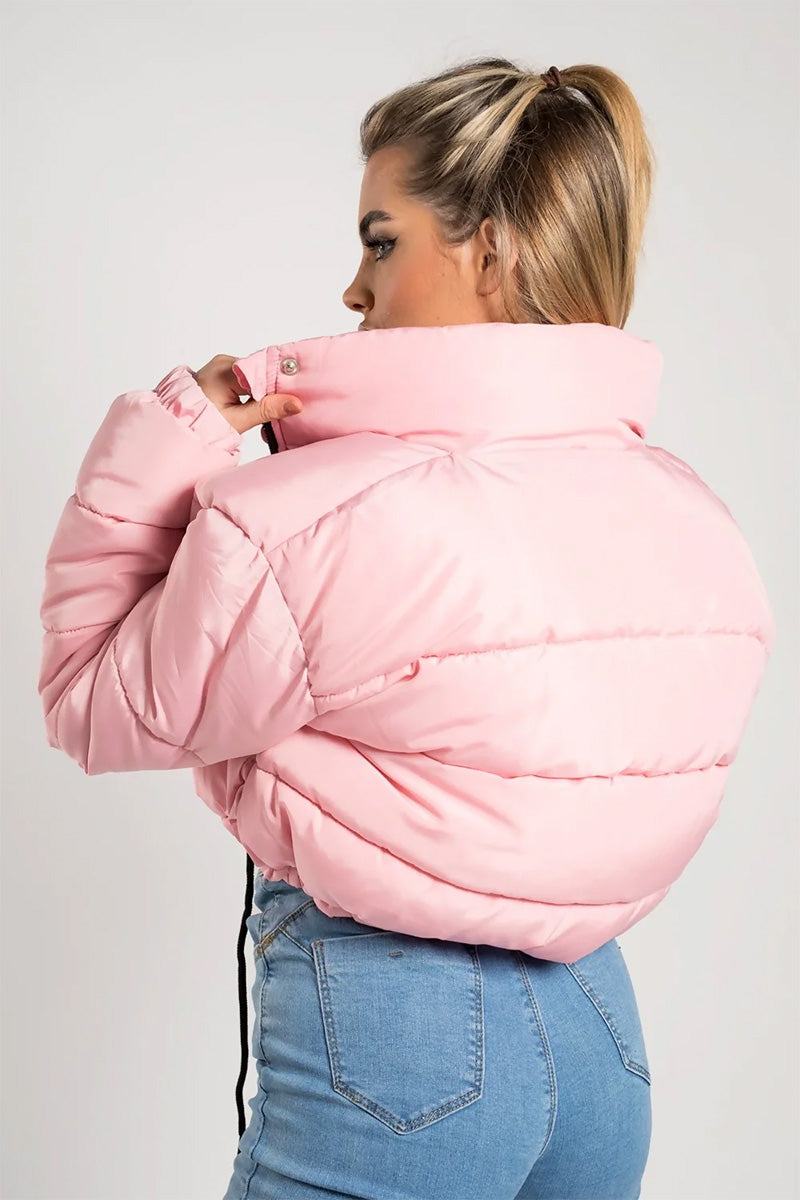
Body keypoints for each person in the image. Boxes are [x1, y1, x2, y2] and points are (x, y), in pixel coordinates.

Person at [38, 57, 775, 1200]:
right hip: (599, 1032)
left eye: (380, 242)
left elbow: (90, 701)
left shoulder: (307, 523)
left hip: (396, 1039)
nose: (353, 288)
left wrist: (169, 441)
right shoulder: (688, 512)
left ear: (491, 250)